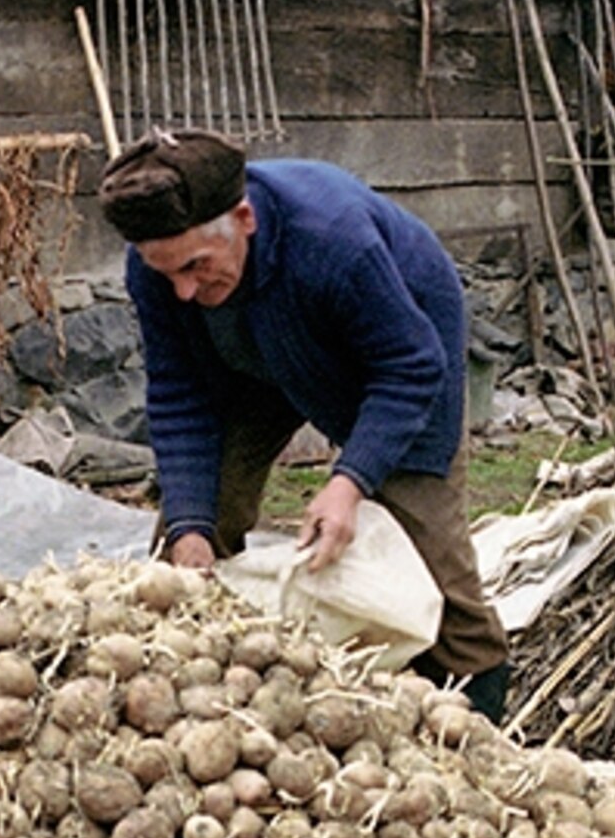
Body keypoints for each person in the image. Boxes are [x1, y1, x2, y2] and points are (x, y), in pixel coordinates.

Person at [100, 128, 512, 722]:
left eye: (196, 267)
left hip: (397, 347)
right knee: (188, 537)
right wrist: (190, 524)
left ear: (243, 218)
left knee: (433, 554)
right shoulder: (163, 268)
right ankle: (202, 699)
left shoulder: (333, 241)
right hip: (246, 351)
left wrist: (350, 480)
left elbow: (410, 366)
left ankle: (479, 709)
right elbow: (179, 393)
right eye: (167, 275)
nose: (183, 292)